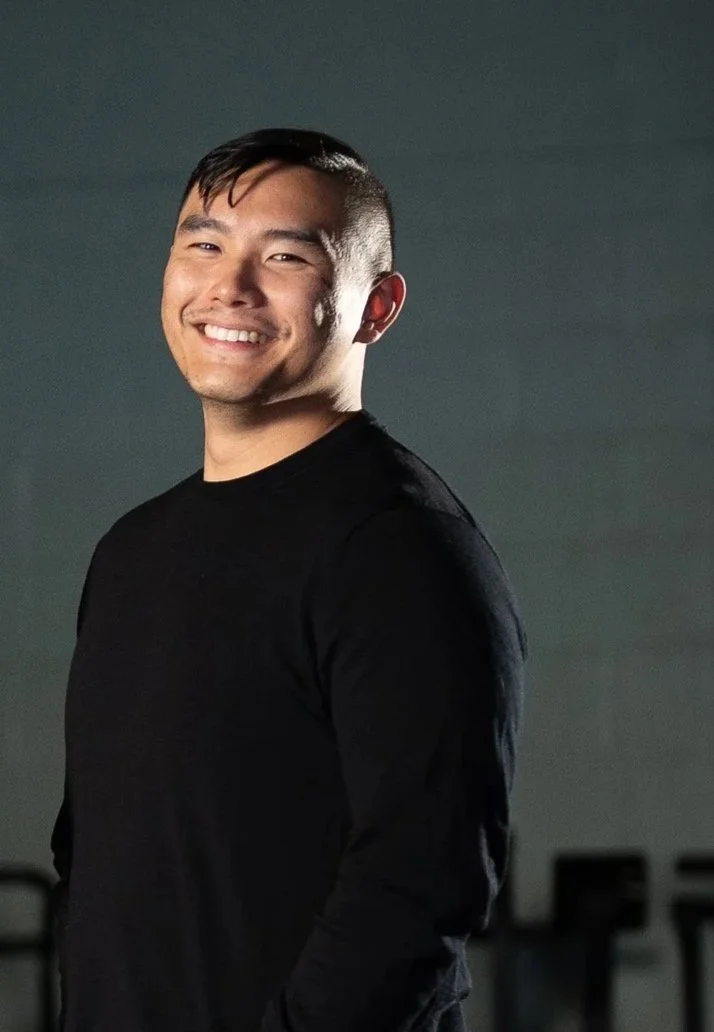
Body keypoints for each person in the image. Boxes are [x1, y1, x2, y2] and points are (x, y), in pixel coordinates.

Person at [50, 127, 526, 1032]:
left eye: (284, 256)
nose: (229, 288)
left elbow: (417, 890)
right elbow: (97, 868)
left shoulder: (401, 549)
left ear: (375, 307)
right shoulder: (130, 552)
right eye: (204, 245)